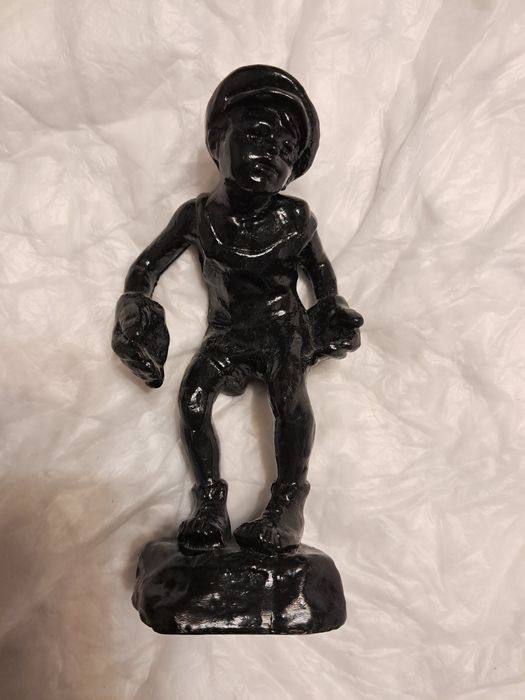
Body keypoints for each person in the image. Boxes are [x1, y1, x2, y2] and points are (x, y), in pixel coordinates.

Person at [112, 65, 363, 555]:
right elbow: (146, 267)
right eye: (258, 135)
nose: (272, 153)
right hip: (226, 333)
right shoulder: (197, 216)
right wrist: (135, 307)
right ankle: (209, 502)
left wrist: (333, 308)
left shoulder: (295, 218)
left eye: (287, 149)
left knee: (290, 398)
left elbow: (321, 274)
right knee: (191, 401)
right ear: (217, 141)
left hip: (281, 328)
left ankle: (288, 502)